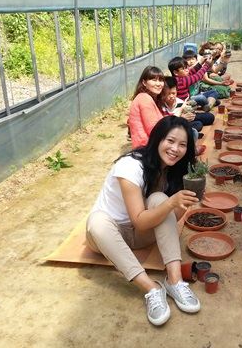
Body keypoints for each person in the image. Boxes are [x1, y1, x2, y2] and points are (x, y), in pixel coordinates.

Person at [86, 116, 201, 326]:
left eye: (183, 145)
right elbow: (139, 220)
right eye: (170, 141)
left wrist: (181, 204)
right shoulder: (131, 166)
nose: (175, 149)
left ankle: (175, 280)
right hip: (108, 236)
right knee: (97, 220)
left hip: (139, 235)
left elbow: (169, 218)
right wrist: (170, 203)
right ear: (157, 139)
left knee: (159, 199)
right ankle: (151, 288)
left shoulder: (169, 169)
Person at [128, 66, 166, 149]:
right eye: (154, 80)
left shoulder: (149, 98)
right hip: (147, 149)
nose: (158, 84)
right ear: (144, 82)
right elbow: (153, 130)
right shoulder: (144, 99)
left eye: (161, 80)